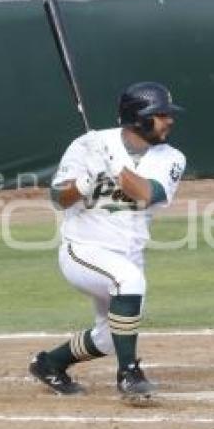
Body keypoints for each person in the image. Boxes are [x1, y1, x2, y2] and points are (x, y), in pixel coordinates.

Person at [28, 82, 186, 404]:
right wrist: (85, 183)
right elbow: (59, 198)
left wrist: (116, 168)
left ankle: (50, 363)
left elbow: (147, 194)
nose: (170, 120)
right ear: (138, 118)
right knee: (129, 282)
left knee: (111, 336)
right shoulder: (89, 145)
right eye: (161, 115)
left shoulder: (171, 157)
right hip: (83, 251)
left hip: (128, 253)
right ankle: (129, 374)